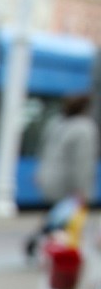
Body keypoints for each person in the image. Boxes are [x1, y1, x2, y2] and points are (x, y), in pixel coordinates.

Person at [26, 93, 98, 258]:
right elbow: (82, 162)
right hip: (67, 184)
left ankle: (41, 245)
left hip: (48, 178)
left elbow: (43, 150)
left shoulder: (56, 123)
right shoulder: (85, 128)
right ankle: (56, 254)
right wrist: (82, 190)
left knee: (54, 217)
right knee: (66, 223)